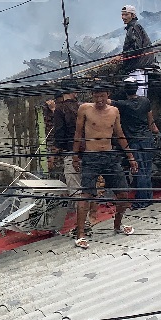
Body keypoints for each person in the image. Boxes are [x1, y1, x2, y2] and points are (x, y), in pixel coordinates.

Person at [72, 84, 139, 249]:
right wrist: (75, 156)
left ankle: (117, 225)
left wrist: (130, 156)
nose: (100, 99)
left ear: (107, 95)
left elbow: (120, 134)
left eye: (102, 96)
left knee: (123, 193)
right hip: (91, 156)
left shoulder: (114, 111)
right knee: (86, 194)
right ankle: (80, 234)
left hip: (110, 155)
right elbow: (78, 134)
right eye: (96, 96)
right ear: (92, 95)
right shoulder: (85, 109)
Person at [51, 89, 96, 233]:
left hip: (72, 153)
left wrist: (55, 150)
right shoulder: (84, 107)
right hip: (89, 151)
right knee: (88, 187)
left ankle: (83, 225)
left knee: (76, 189)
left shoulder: (60, 109)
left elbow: (60, 133)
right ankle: (89, 220)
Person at [109, 80, 159, 209]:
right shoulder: (145, 101)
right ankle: (148, 198)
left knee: (139, 171)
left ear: (126, 91)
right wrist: (156, 133)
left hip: (134, 141)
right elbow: (151, 122)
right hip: (147, 139)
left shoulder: (123, 105)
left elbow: (106, 101)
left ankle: (142, 201)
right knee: (146, 170)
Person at [112, 5, 154, 96]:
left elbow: (136, 48)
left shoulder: (134, 27)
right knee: (138, 96)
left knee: (138, 96)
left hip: (138, 67)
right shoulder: (132, 27)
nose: (123, 17)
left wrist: (122, 56)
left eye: (126, 15)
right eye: (122, 15)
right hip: (138, 67)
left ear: (133, 15)